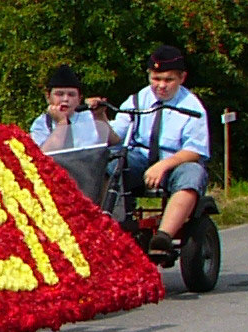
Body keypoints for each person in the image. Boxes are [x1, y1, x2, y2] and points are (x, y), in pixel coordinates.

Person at [115, 45, 211, 243]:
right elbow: (116, 137)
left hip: (175, 162)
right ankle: (114, 226)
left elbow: (195, 150)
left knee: (193, 174)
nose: (161, 85)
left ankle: (164, 237)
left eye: (168, 80)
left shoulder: (192, 107)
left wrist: (162, 166)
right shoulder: (137, 100)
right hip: (140, 159)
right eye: (156, 79)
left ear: (182, 78)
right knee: (111, 165)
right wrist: (98, 117)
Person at [28, 64, 120, 151]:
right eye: (59, 94)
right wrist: (62, 123)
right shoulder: (42, 123)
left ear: (79, 98)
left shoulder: (89, 117)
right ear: (48, 97)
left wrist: (100, 116)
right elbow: (43, 155)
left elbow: (114, 143)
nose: (65, 99)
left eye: (71, 95)